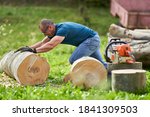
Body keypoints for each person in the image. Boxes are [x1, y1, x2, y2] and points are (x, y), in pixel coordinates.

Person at [16, 19, 107, 68]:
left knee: (74, 59)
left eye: (44, 32)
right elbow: (42, 43)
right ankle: (115, 74)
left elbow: (51, 45)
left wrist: (34, 51)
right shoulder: (54, 31)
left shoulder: (63, 29)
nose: (44, 34)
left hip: (91, 40)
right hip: (91, 39)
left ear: (50, 27)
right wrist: (28, 48)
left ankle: (88, 76)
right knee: (102, 64)